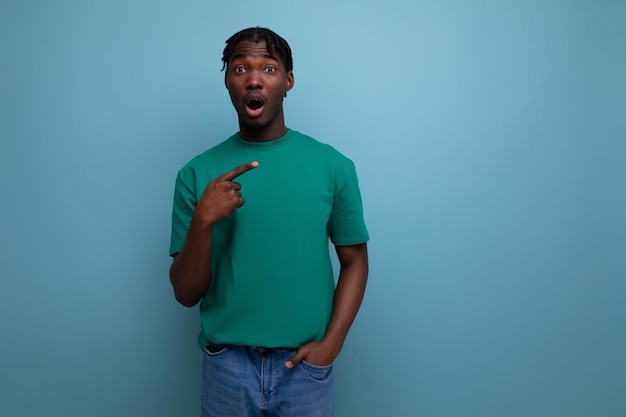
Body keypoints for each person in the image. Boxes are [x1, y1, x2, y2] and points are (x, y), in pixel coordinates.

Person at [169, 27, 369, 417]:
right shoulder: (196, 174)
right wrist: (203, 221)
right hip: (226, 365)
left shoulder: (332, 166)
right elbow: (185, 293)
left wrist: (332, 344)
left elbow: (355, 261)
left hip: (304, 368)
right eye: (240, 67)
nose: (254, 78)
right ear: (228, 81)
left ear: (288, 81)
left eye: (269, 68)